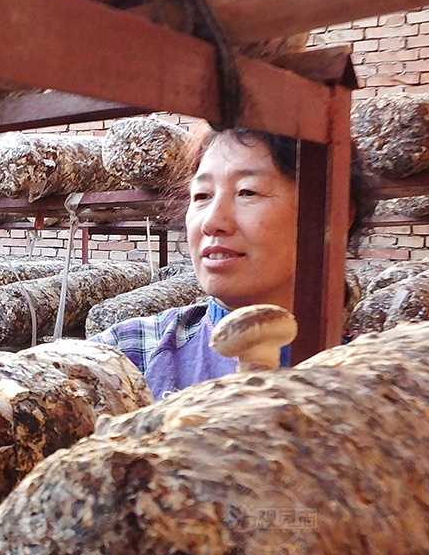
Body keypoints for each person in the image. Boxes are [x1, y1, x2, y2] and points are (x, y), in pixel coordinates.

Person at [90, 127, 371, 401]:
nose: (212, 222)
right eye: (202, 196)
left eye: (247, 192)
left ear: (333, 215)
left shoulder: (375, 385)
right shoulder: (126, 356)